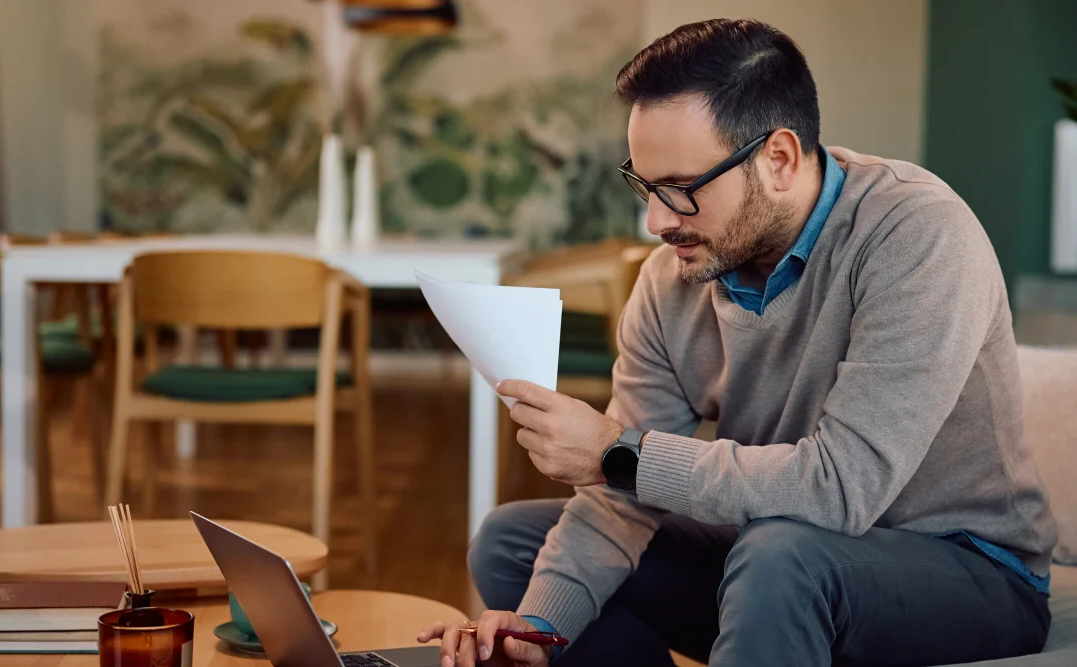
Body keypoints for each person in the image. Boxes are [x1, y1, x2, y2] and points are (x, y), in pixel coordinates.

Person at [416, 17, 1058, 667]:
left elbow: (841, 488)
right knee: (509, 543)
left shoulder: (917, 236)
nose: (656, 221)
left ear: (777, 159)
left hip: (971, 570)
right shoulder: (670, 283)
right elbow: (621, 494)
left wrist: (619, 453)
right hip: (778, 548)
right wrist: (537, 627)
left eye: (681, 190)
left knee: (781, 552)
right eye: (645, 185)